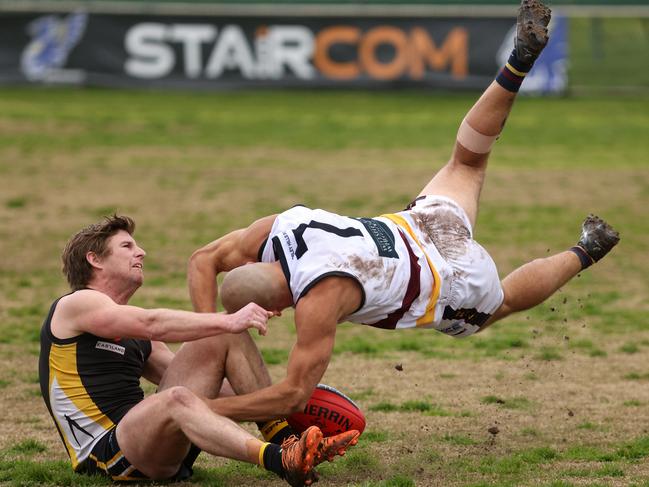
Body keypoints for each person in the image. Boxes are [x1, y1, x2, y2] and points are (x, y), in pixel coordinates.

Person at [187, 0, 620, 425]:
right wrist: (209, 327)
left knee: (501, 303)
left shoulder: (317, 300)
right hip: (423, 225)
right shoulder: (276, 228)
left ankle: (587, 249)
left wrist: (201, 408)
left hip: (449, 275)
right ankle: (517, 64)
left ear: (276, 305)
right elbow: (203, 260)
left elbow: (293, 396)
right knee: (467, 160)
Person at [39, 215, 358, 487]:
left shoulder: (135, 336)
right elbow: (153, 322)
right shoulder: (76, 304)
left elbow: (209, 388)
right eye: (127, 247)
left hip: (153, 444)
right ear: (94, 259)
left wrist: (290, 399)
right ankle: (278, 459)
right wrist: (229, 318)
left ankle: (286, 439)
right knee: (192, 373)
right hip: (105, 454)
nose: (142, 252)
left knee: (219, 338)